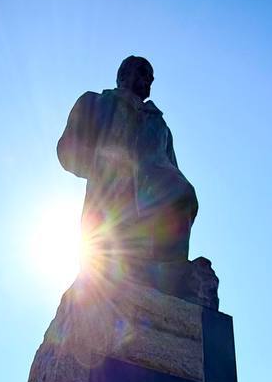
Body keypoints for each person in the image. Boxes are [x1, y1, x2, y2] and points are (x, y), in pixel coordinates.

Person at [57, 56, 198, 266]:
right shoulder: (94, 102)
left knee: (183, 195)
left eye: (151, 77)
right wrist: (104, 162)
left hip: (155, 212)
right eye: (143, 72)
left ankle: (176, 270)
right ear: (123, 74)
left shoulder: (161, 126)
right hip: (109, 210)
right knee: (109, 273)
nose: (148, 80)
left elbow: (172, 169)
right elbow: (67, 149)